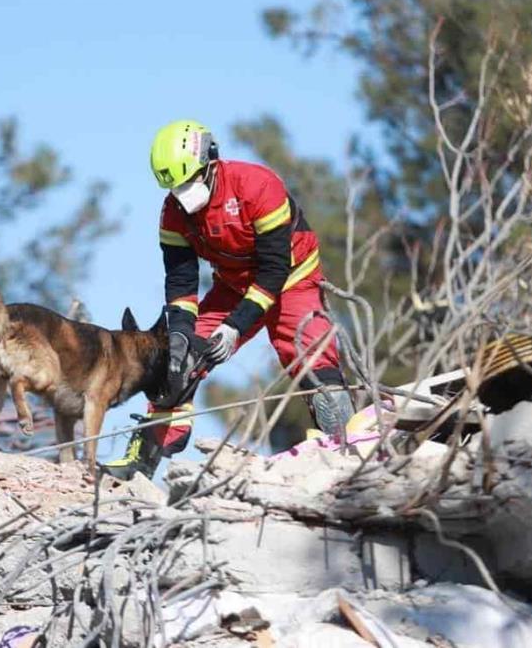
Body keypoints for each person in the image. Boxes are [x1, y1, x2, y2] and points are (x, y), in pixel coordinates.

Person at [103, 119, 354, 480]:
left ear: (211, 163)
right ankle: (143, 457)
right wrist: (182, 334)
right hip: (232, 286)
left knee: (313, 357)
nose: (183, 194)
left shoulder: (257, 186)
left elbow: (273, 269)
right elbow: (181, 278)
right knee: (177, 361)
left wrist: (235, 327)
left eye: (189, 182)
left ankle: (346, 448)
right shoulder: (173, 212)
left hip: (292, 279)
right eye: (175, 187)